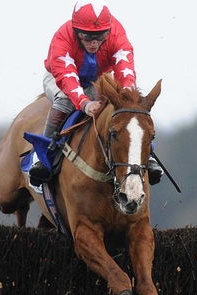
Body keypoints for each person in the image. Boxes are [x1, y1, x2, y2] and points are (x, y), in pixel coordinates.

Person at [29, 0, 163, 186]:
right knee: (65, 101)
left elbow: (125, 69)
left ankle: (147, 155)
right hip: (59, 78)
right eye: (87, 35)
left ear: (108, 31)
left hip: (98, 79)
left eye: (100, 36)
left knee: (128, 109)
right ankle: (42, 155)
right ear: (76, 31)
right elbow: (67, 77)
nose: (94, 42)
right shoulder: (62, 37)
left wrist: (126, 98)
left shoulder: (116, 33)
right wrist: (84, 103)